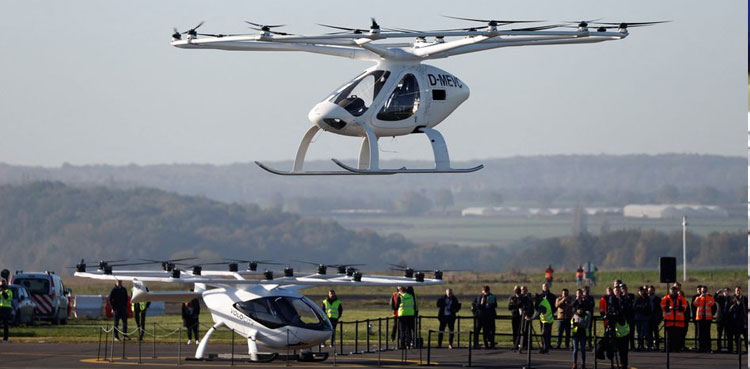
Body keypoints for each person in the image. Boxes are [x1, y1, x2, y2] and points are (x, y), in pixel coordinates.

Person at [661, 286, 687, 353]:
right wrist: (669, 308)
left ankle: (677, 348)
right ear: (669, 291)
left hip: (678, 321)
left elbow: (684, 307)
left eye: (674, 291)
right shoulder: (665, 298)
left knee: (677, 336)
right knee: (668, 336)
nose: (673, 292)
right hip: (669, 321)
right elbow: (662, 307)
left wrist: (678, 308)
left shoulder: (681, 299)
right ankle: (668, 348)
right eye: (672, 291)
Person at [693, 285, 716, 353]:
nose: (703, 292)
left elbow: (712, 304)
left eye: (704, 291)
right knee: (700, 334)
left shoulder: (710, 298)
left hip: (707, 318)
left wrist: (706, 298)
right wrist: (700, 297)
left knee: (707, 334)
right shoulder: (698, 298)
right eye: (702, 291)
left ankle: (708, 348)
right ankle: (700, 348)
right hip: (700, 318)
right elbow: (695, 304)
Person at [727, 286, 748, 353]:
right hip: (735, 320)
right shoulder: (732, 299)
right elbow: (729, 308)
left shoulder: (744, 299)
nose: (738, 292)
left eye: (739, 290)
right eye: (736, 290)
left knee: (746, 336)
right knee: (737, 336)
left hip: (743, 320)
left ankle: (747, 349)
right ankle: (738, 349)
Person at [633, 286, 651, 351]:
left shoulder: (647, 298)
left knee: (646, 332)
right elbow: (634, 307)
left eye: (642, 291)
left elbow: (648, 307)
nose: (641, 292)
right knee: (638, 332)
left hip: (645, 317)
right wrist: (642, 307)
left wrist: (641, 308)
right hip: (638, 317)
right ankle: (639, 345)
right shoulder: (636, 298)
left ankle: (647, 345)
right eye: (640, 291)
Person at [518, 286, 535, 352]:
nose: (523, 291)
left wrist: (530, 315)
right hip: (522, 317)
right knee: (522, 331)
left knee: (528, 331)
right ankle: (521, 345)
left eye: (525, 290)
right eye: (522, 290)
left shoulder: (529, 297)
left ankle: (529, 345)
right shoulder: (520, 297)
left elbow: (531, 307)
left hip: (528, 316)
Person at [508, 285, 524, 350]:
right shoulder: (512, 298)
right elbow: (509, 307)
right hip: (514, 316)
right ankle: (515, 345)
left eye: (518, 289)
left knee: (522, 331)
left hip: (521, 317)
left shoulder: (523, 298)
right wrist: (517, 305)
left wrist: (515, 305)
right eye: (515, 289)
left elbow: (523, 305)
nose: (517, 291)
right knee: (515, 331)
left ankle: (522, 344)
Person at [620, 284, 636, 350]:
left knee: (631, 332)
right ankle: (624, 346)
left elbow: (633, 304)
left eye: (625, 288)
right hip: (624, 317)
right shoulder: (621, 297)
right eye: (623, 288)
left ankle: (632, 346)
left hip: (631, 316)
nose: (624, 290)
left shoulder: (631, 296)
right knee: (624, 332)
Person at [714, 288, 730, 352]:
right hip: (720, 319)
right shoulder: (720, 298)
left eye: (727, 292)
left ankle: (729, 348)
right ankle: (719, 348)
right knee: (719, 334)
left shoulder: (730, 299)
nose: (726, 293)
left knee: (728, 335)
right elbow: (714, 298)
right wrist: (717, 292)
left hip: (727, 319)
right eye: (725, 292)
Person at [647, 285, 662, 351]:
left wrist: (660, 318)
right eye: (649, 290)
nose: (650, 291)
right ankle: (650, 345)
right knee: (649, 333)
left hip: (655, 318)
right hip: (648, 318)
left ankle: (657, 346)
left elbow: (660, 310)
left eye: (652, 290)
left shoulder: (658, 299)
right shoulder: (646, 298)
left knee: (656, 333)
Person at [690, 285, 702, 350]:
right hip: (697, 317)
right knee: (697, 332)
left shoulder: (705, 297)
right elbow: (693, 307)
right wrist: (694, 316)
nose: (699, 291)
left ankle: (702, 345)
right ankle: (697, 345)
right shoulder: (695, 297)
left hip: (704, 318)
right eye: (698, 290)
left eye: (700, 289)